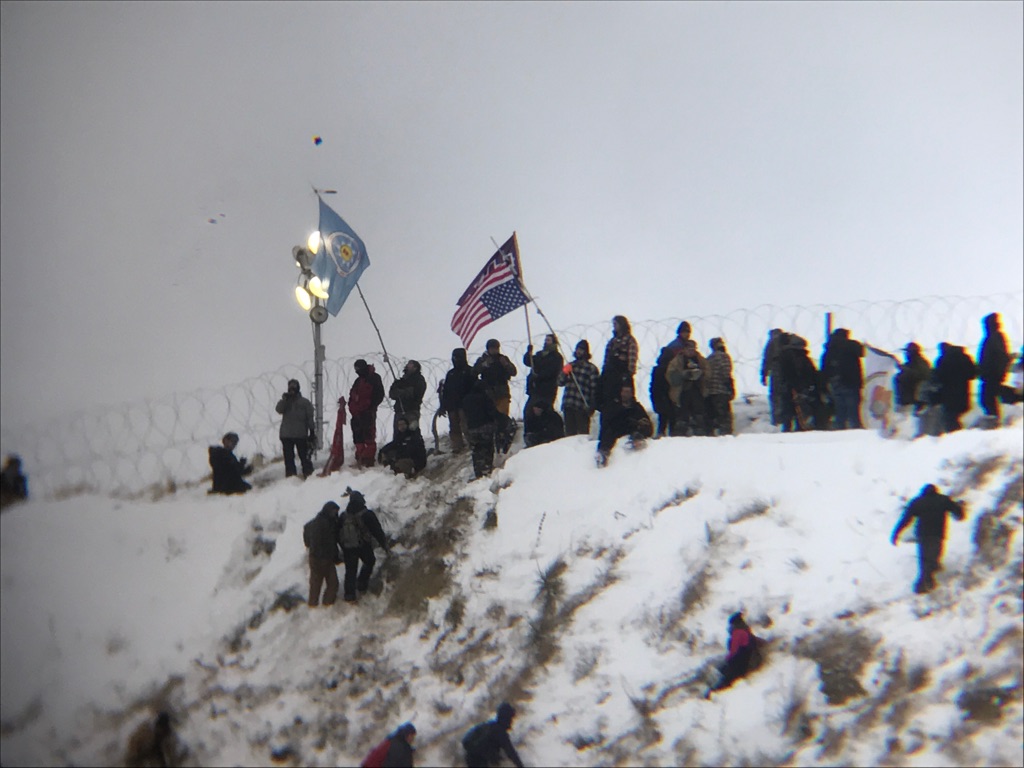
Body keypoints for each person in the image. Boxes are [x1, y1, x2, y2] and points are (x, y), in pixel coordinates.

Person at [891, 483, 965, 594]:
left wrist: (896, 533)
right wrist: (960, 513)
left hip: (923, 537)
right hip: (938, 535)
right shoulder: (942, 500)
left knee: (925, 560)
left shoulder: (918, 502)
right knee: (934, 557)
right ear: (936, 491)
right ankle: (926, 585)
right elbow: (958, 512)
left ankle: (925, 584)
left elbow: (906, 519)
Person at [338, 489, 390, 603]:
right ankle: (361, 584)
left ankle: (349, 596)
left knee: (350, 570)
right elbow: (377, 531)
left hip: (348, 548)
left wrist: (343, 547)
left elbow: (338, 533)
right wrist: (384, 545)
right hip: (363, 546)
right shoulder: (366, 514)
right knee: (369, 561)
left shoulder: (343, 516)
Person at [596, 384, 653, 468]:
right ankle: (603, 454)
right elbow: (607, 421)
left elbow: (646, 421)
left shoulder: (636, 407)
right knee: (609, 434)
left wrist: (639, 422)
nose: (625, 394)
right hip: (617, 428)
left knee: (639, 428)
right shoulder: (614, 405)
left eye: (628, 392)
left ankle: (638, 441)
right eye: (624, 391)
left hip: (632, 428)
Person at [707, 612, 763, 696]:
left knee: (724, 676)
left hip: (740, 664)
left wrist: (726, 662)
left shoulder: (737, 633)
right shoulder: (746, 631)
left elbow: (733, 652)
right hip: (749, 661)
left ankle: (712, 693)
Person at [820, 328, 865, 430]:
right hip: (851, 381)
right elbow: (862, 353)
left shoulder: (829, 349)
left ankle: (840, 428)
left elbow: (824, 369)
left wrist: (825, 384)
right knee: (853, 407)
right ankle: (856, 427)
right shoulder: (851, 345)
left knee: (840, 407)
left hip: (835, 382)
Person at [776, 334, 820, 432]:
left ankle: (788, 429)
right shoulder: (798, 357)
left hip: (787, 387)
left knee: (788, 411)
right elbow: (805, 372)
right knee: (799, 410)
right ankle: (799, 428)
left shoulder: (783, 355)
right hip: (797, 388)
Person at [461, 702, 524, 768]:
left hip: (471, 757)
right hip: (478, 760)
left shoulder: (490, 726)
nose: (512, 721)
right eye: (510, 718)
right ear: (506, 718)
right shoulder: (500, 732)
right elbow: (511, 753)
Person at [931, 343, 977, 433]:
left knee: (949, 420)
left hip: (948, 396)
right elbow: (972, 374)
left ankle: (954, 438)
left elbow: (937, 378)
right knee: (958, 417)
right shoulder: (965, 358)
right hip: (964, 394)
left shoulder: (942, 360)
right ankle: (960, 436)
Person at [558, 340, 600, 437]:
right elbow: (559, 382)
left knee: (582, 436)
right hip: (568, 404)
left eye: (581, 350)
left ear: (586, 352)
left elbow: (594, 389)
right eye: (577, 349)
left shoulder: (591, 368)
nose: (578, 352)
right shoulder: (570, 366)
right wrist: (564, 372)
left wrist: (592, 405)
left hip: (582, 406)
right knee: (569, 435)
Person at [666, 339, 708, 436]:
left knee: (699, 415)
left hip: (698, 392)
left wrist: (700, 374)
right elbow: (670, 377)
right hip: (682, 393)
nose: (691, 351)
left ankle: (701, 433)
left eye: (693, 349)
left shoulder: (701, 360)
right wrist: (684, 375)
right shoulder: (676, 361)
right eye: (688, 349)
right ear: (684, 349)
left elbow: (708, 373)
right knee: (682, 417)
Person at [438, 348, 477, 453]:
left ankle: (472, 443)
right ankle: (457, 446)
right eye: (454, 357)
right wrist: (443, 405)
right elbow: (445, 391)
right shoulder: (451, 374)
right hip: (452, 405)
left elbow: (475, 388)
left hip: (465, 404)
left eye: (457, 357)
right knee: (454, 426)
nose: (455, 359)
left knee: (466, 425)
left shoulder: (470, 371)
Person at [303, 501, 341, 607]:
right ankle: (327, 605)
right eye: (334, 512)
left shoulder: (314, 522)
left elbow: (306, 529)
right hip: (325, 559)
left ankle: (312, 606)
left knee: (315, 585)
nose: (336, 514)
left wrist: (309, 544)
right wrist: (336, 557)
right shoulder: (328, 525)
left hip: (314, 558)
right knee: (333, 583)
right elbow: (332, 543)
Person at [275, 378, 315, 478]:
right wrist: (284, 399)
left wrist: (312, 431)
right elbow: (278, 410)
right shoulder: (286, 402)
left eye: (294, 387)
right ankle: (291, 476)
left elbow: (310, 417)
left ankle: (308, 473)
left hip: (300, 434)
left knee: (304, 456)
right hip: (286, 435)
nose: (292, 389)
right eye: (290, 387)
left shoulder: (304, 402)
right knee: (289, 458)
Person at [462, 377, 501, 479]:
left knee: (476, 450)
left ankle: (478, 472)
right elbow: (491, 411)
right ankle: (487, 469)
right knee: (487, 448)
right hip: (485, 427)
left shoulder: (466, 399)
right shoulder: (484, 398)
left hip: (472, 429)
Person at [350, 360, 386, 468]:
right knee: (358, 436)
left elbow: (379, 394)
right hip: (356, 413)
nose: (357, 371)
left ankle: (368, 459)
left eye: (358, 369)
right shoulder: (358, 380)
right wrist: (352, 408)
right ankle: (360, 457)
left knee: (368, 435)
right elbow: (352, 395)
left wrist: (371, 406)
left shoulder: (374, 378)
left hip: (367, 412)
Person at [977, 312, 1010, 424]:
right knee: (987, 399)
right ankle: (993, 420)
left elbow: (1000, 357)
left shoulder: (995, 337)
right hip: (990, 375)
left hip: (992, 375)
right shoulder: (992, 337)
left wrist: (999, 373)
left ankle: (994, 422)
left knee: (988, 399)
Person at [600, 315, 639, 407]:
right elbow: (606, 359)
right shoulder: (612, 342)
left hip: (622, 374)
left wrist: (628, 374)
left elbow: (632, 358)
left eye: (615, 324)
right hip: (610, 375)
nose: (614, 326)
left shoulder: (629, 340)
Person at [473, 339, 518, 417]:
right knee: (490, 417)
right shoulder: (482, 360)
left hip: (502, 392)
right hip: (488, 393)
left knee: (503, 417)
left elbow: (513, 372)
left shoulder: (503, 359)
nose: (495, 350)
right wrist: (484, 365)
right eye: (492, 348)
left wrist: (506, 365)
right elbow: (474, 372)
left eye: (496, 348)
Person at [522, 333, 563, 409]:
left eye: (548, 340)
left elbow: (553, 372)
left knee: (544, 411)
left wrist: (538, 376)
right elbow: (528, 362)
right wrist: (528, 353)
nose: (545, 342)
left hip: (547, 389)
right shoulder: (539, 354)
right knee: (529, 410)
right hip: (535, 388)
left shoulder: (556, 357)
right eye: (545, 340)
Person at [704, 338, 735, 436]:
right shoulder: (724, 357)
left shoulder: (709, 358)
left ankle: (710, 434)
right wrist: (730, 387)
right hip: (722, 391)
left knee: (712, 416)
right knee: (724, 417)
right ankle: (726, 435)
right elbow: (725, 373)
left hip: (711, 391)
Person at [389, 360, 427, 434]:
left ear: (415, 367)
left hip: (411, 410)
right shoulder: (401, 381)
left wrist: (402, 392)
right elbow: (392, 394)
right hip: (399, 410)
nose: (407, 365)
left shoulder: (419, 379)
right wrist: (397, 390)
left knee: (412, 433)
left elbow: (416, 392)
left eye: (410, 364)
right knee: (398, 435)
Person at [893, 343, 931, 413]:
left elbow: (920, 376)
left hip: (913, 402)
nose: (906, 354)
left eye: (907, 352)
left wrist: (904, 369)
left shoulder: (921, 363)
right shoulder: (911, 363)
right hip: (907, 400)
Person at [760, 329, 786, 426]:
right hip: (788, 372)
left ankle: (777, 419)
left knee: (775, 395)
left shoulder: (772, 342)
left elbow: (767, 359)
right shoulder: (786, 341)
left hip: (776, 371)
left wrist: (764, 374)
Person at [319, 396, 348, 477]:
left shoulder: (340, 412)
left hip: (337, 434)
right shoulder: (340, 412)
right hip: (337, 432)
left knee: (336, 446)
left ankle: (329, 470)